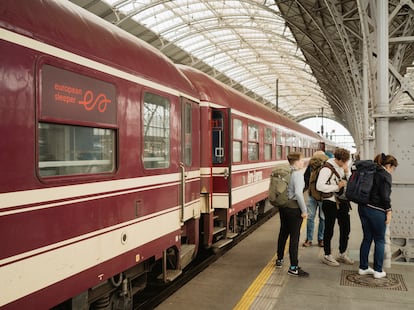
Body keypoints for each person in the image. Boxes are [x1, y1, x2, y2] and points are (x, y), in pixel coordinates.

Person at [358, 153, 398, 279]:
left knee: (367, 238)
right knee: (380, 240)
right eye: (393, 168)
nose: (393, 171)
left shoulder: (371, 171)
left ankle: (363, 267)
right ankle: (378, 270)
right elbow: (385, 197)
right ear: (389, 165)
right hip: (376, 210)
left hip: (363, 208)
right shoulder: (385, 175)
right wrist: (389, 211)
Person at [317, 148, 353, 266]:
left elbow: (350, 182)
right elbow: (319, 186)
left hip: (342, 201)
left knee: (345, 228)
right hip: (330, 202)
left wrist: (347, 172)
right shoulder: (326, 169)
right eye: (345, 162)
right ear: (338, 160)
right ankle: (327, 255)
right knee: (329, 229)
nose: (346, 164)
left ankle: (342, 253)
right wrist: (336, 187)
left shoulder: (342, 167)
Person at [276, 152, 309, 277]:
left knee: (283, 233)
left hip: (283, 207)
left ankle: (279, 260)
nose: (303, 162)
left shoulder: (285, 172)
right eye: (301, 160)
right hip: (294, 209)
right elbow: (299, 194)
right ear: (295, 162)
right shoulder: (297, 175)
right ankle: (293, 267)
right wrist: (304, 210)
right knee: (294, 238)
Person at [303, 151, 327, 248]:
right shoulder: (326, 166)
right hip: (322, 196)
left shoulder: (310, 166)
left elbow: (305, 178)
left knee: (310, 218)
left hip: (312, 195)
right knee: (323, 218)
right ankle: (321, 239)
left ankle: (309, 239)